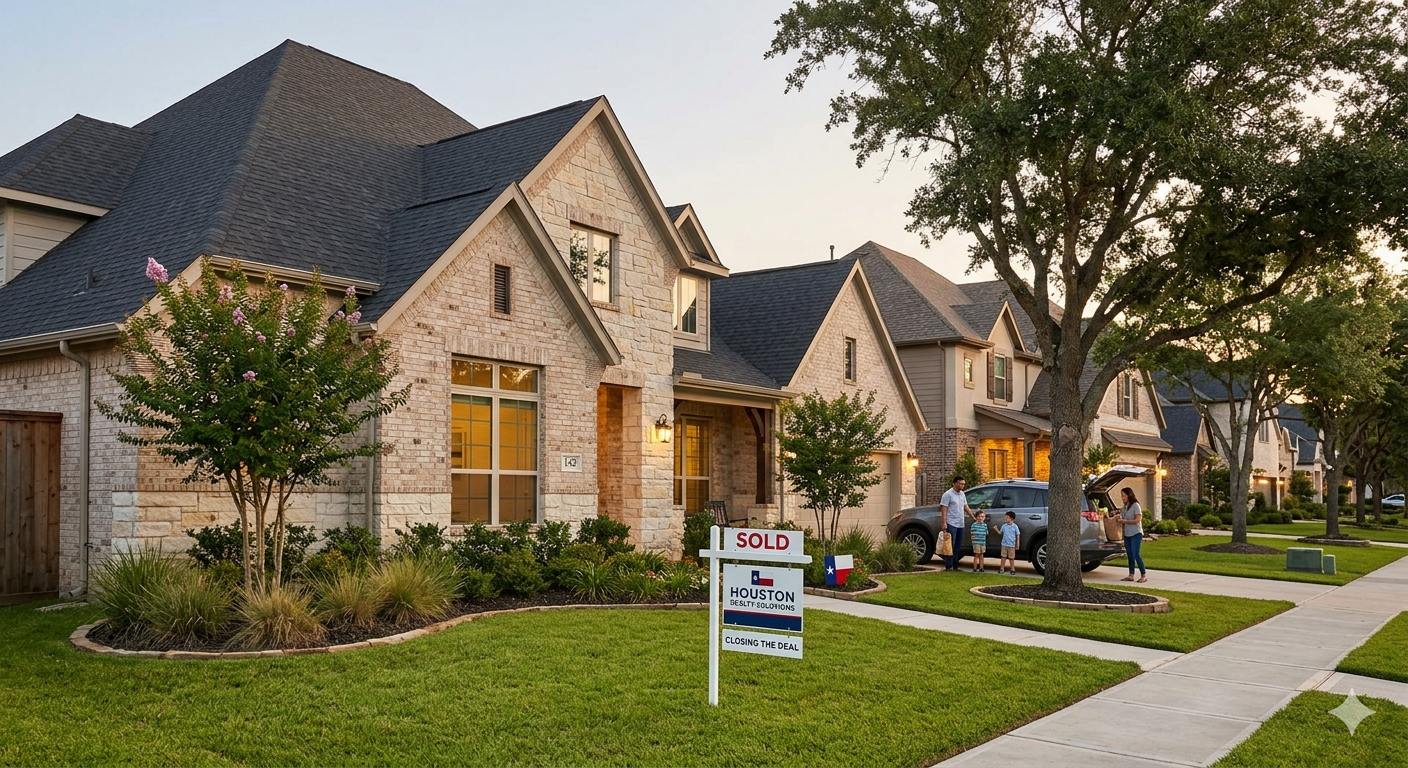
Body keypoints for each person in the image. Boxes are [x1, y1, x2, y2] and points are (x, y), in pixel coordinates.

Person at [939, 476, 973, 571]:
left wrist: (972, 517)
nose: (962, 486)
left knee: (958, 545)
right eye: (960, 483)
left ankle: (955, 564)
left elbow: (965, 506)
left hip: (960, 523)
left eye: (963, 484)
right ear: (955, 483)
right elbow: (944, 509)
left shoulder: (962, 494)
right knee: (951, 544)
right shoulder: (948, 495)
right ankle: (948, 565)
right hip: (951, 523)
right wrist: (944, 523)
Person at [1114, 487, 1147, 583]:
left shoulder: (1136, 505)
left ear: (1129, 495)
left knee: (1135, 553)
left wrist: (1125, 521)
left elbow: (1138, 519)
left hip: (1136, 533)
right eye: (1122, 496)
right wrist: (1118, 518)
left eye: (1123, 495)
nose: (1122, 498)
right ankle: (1131, 575)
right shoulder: (1124, 507)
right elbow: (1122, 517)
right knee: (1129, 555)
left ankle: (1143, 575)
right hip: (1127, 534)